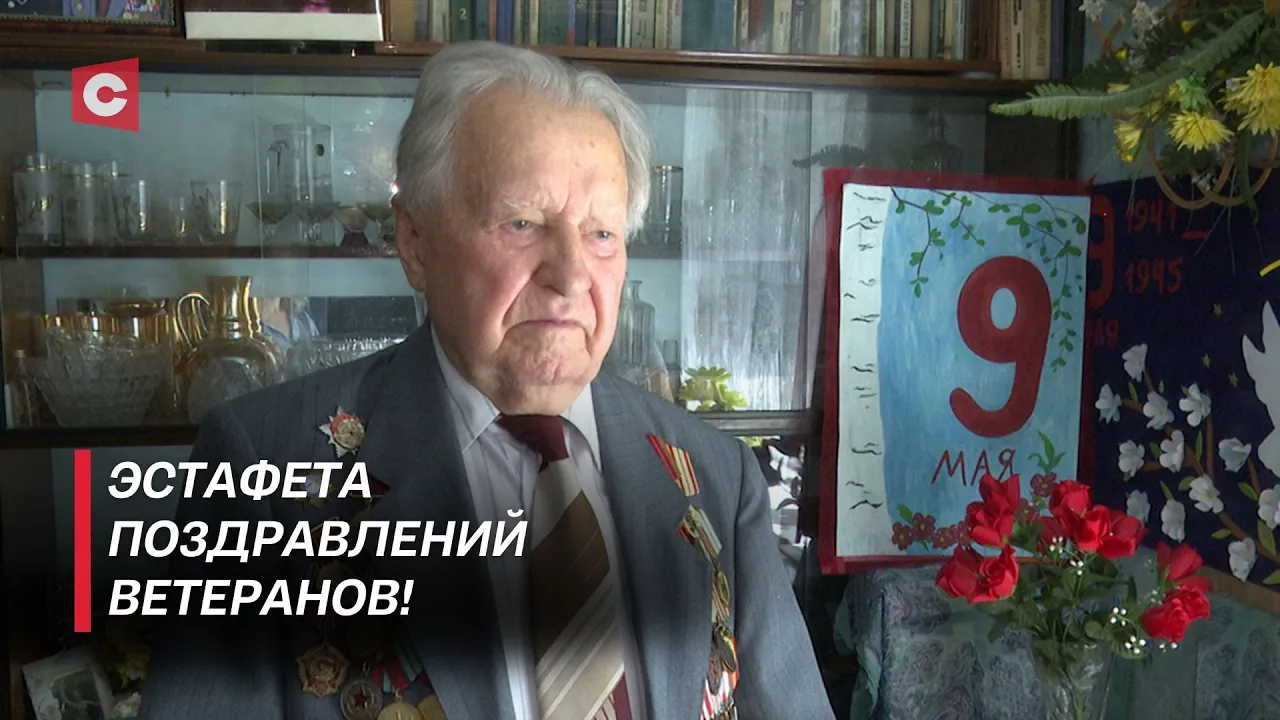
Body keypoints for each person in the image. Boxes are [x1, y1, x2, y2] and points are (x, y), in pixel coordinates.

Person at [139, 41, 833, 720]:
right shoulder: (263, 467)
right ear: (415, 241)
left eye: (601, 234)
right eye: (522, 222)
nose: (570, 277)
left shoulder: (715, 477)